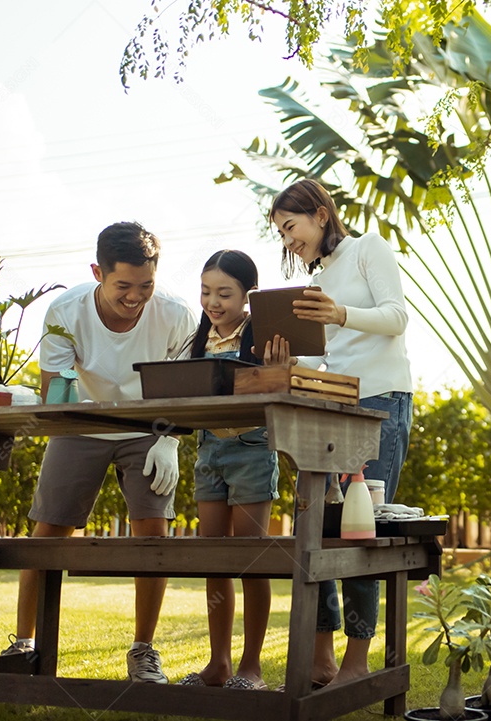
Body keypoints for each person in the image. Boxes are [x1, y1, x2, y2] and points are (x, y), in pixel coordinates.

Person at [1, 222, 195, 685]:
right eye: (123, 286)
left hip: (149, 425)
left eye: (145, 285)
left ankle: (143, 651)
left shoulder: (175, 313)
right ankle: (25, 644)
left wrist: (168, 440)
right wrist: (70, 407)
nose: (135, 297)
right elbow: (54, 393)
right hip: (81, 422)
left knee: (153, 536)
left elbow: (187, 392)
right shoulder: (65, 311)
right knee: (46, 533)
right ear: (97, 272)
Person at [264, 178, 413, 687]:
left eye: (291, 227)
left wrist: (340, 312)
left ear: (320, 215)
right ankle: (322, 655)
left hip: (380, 403)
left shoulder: (369, 248)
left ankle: (357, 661)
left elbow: (397, 317)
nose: (288, 241)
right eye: (281, 234)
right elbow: (329, 355)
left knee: (360, 531)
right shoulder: (317, 279)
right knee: (320, 530)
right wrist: (290, 357)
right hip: (332, 406)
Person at [176, 250, 277, 691]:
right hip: (209, 451)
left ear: (247, 295)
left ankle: (250, 668)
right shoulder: (199, 339)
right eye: (205, 292)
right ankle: (218, 664)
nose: (212, 302)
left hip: (252, 450)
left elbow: (278, 383)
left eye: (224, 293)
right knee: (214, 561)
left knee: (251, 560)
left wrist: (275, 368)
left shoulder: (262, 336)